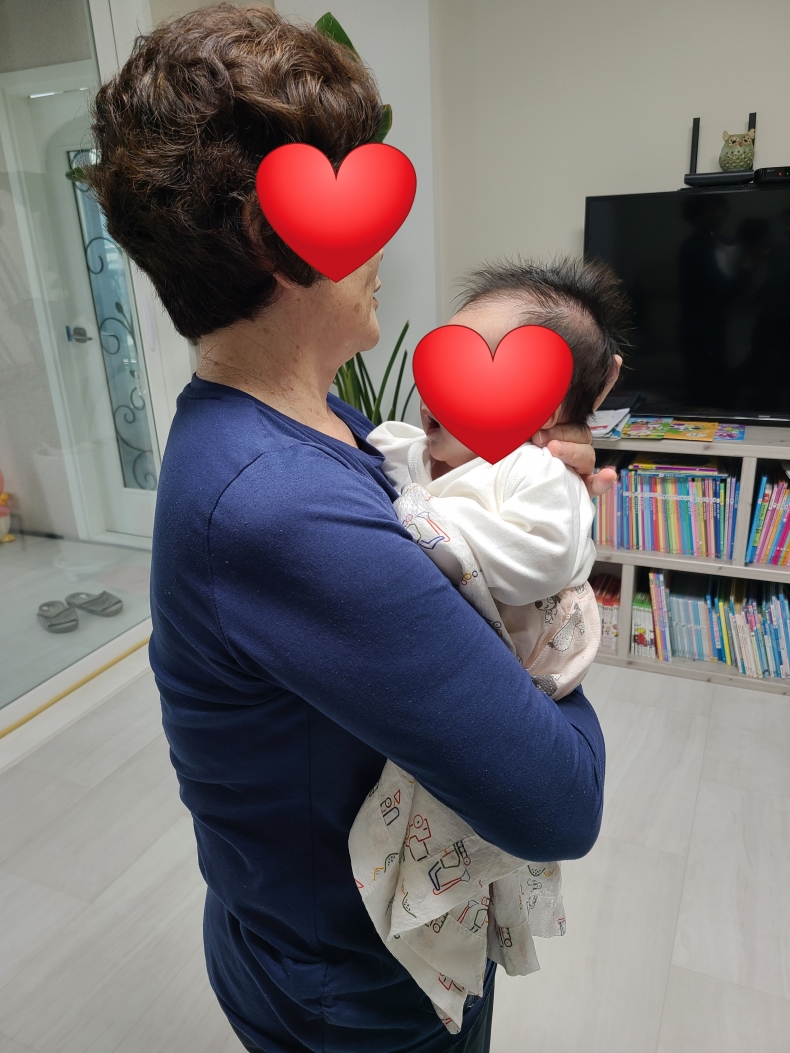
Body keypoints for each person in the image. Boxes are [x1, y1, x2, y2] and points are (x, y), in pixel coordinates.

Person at [85, 6, 620, 1052]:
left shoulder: (301, 422)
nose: (386, 241)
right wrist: (556, 588)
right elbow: (562, 801)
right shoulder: (279, 507)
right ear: (274, 238)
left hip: (292, 927)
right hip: (360, 991)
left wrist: (506, 484)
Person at [350, 258, 627, 1032]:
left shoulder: (538, 475)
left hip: (519, 686)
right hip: (441, 708)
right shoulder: (434, 452)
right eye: (447, 357)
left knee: (469, 856)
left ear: (541, 413)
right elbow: (383, 454)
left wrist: (415, 515)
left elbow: (543, 553)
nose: (441, 386)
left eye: (483, 367)